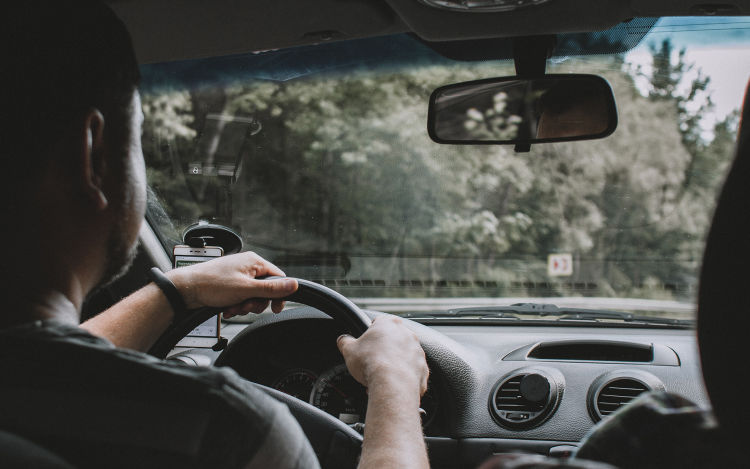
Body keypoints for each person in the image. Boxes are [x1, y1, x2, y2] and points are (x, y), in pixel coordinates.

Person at [0, 2, 429, 468]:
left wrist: (179, 291)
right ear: (93, 155)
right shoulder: (223, 429)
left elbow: (45, 368)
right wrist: (394, 382)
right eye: (138, 144)